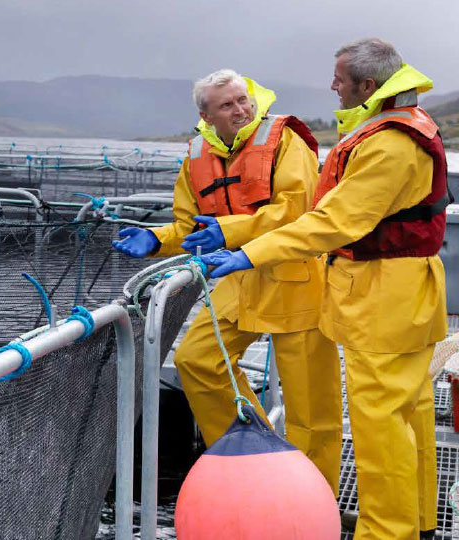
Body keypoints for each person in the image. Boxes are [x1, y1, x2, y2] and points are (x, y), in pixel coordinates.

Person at [201, 39, 449, 540]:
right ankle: (419, 521)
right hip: (407, 290)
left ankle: (388, 531)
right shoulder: (409, 125)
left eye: (339, 78)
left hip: (384, 296)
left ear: (367, 85)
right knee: (410, 409)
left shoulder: (388, 144)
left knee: (379, 422)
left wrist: (250, 253)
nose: (332, 85)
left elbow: (333, 222)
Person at [113, 69, 343, 495]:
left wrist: (229, 232)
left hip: (297, 279)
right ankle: (256, 459)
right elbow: (190, 226)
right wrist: (156, 239)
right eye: (227, 105)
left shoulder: (285, 139)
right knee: (197, 361)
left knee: (313, 410)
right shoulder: (197, 154)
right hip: (238, 280)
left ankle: (317, 502)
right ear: (206, 116)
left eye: (242, 99)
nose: (241, 109)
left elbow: (297, 211)